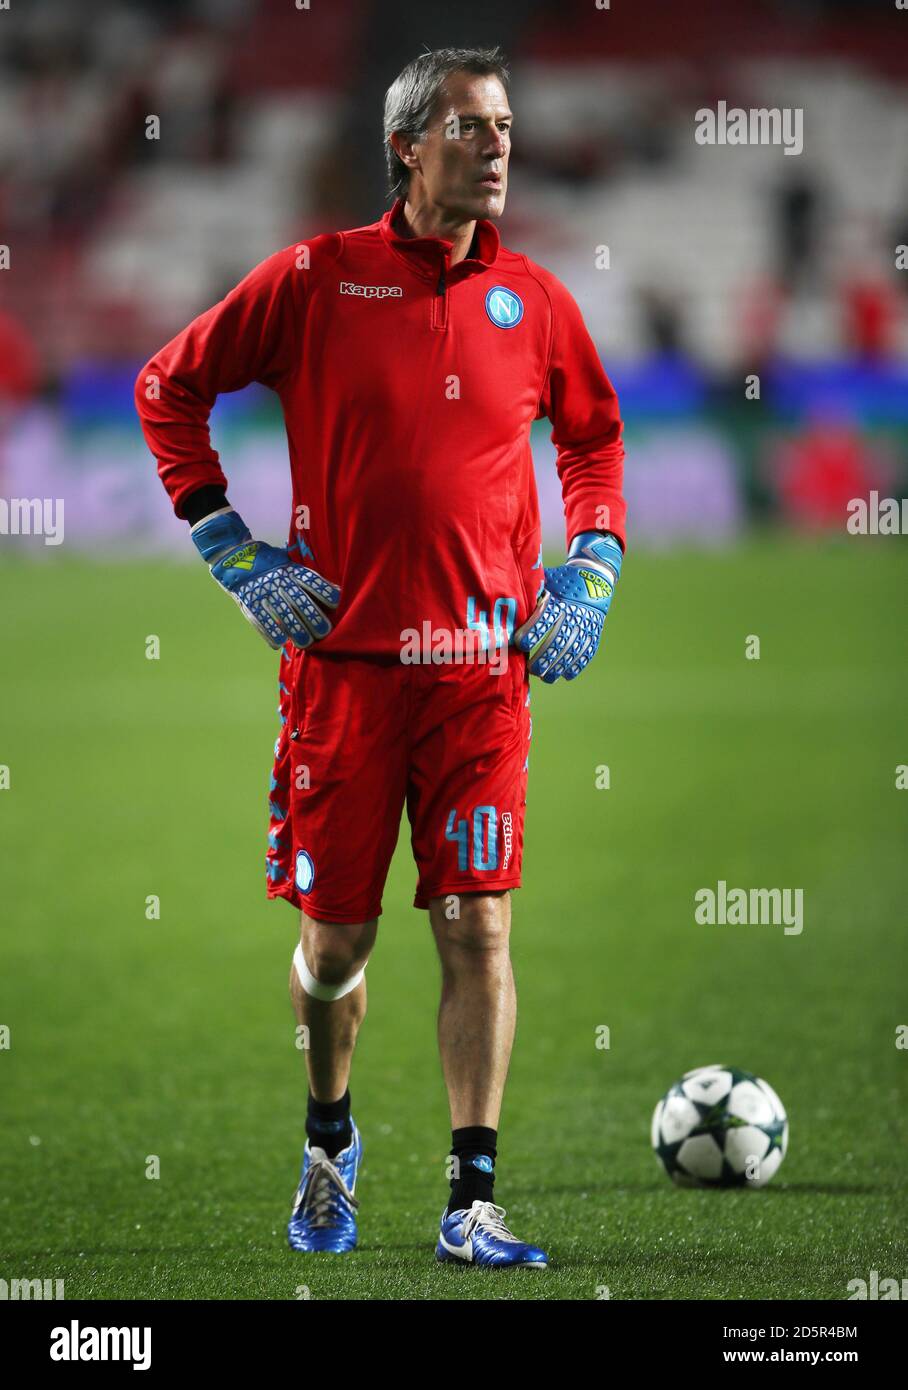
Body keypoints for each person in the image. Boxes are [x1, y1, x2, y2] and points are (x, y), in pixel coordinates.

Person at [135, 46, 626, 1270]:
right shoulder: (315, 278)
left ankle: (469, 1198)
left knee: (476, 927)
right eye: (470, 127)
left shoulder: (538, 304)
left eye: (504, 125)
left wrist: (593, 564)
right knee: (337, 946)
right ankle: (327, 1137)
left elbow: (595, 441)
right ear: (406, 147)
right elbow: (166, 387)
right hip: (344, 677)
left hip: (479, 678)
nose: (497, 146)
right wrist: (231, 548)